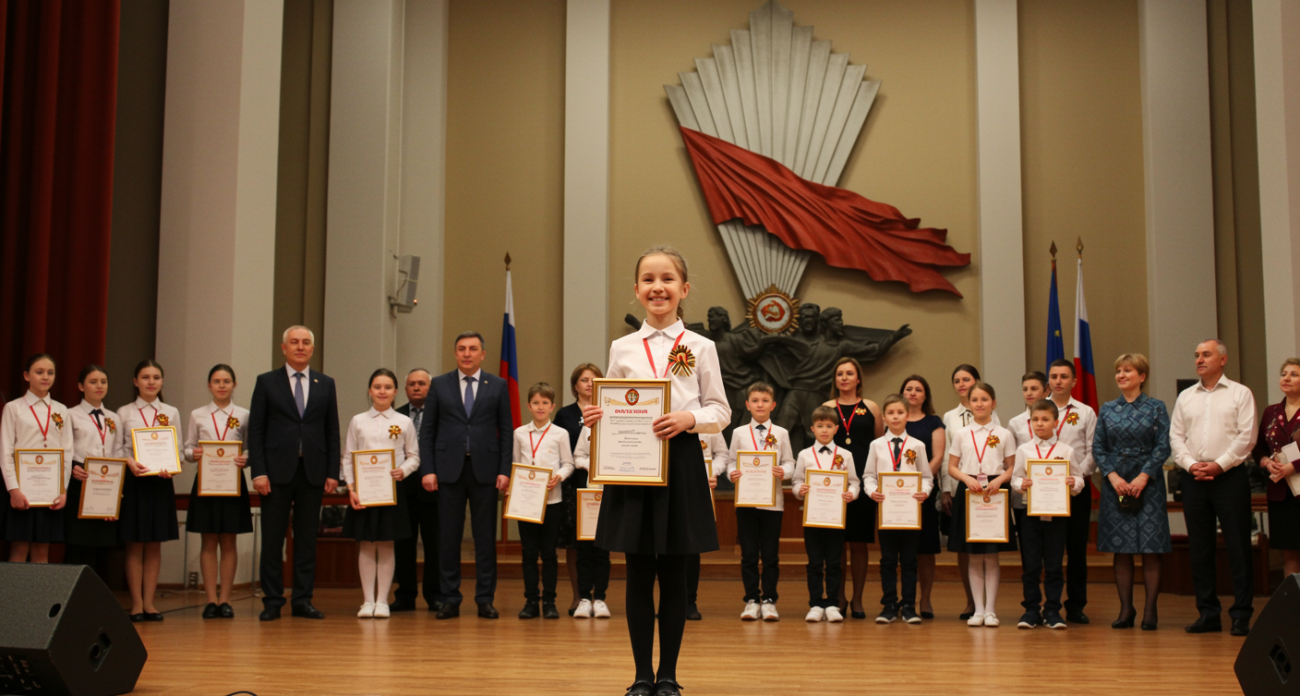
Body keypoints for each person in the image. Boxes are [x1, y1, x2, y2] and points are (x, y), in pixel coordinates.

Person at [581, 246, 729, 696]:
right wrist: (595, 419)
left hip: (680, 464)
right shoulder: (621, 347)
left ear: (683, 289)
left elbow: (720, 410)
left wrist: (689, 420)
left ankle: (669, 675)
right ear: (636, 291)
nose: (657, 287)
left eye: (667, 279)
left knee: (675, 574)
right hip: (632, 469)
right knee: (639, 572)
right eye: (648, 279)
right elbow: (610, 403)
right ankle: (642, 675)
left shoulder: (701, 346)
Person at [247, 326, 341, 621]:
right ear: (284, 347)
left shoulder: (325, 383)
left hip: (312, 472)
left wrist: (332, 471)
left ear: (312, 349)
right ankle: (273, 601)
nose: (300, 347)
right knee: (273, 539)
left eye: (306, 343)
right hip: (275, 473)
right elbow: (257, 430)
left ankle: (303, 600)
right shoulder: (266, 382)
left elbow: (332, 430)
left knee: (306, 540)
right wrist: (258, 471)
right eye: (294, 342)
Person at [419, 331, 513, 620]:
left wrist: (504, 470)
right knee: (449, 538)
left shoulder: (497, 385)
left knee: (485, 539)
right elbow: (428, 431)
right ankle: (450, 598)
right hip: (448, 471)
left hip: (485, 470)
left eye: (473, 349)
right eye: (462, 349)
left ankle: (485, 599)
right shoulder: (438, 384)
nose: (467, 353)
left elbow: (506, 430)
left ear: (482, 354)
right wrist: (429, 469)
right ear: (455, 353)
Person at [1170, 339, 1257, 636]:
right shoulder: (1185, 397)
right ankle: (1208, 613)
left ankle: (1241, 614)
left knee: (1238, 547)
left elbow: (1247, 437)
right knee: (1200, 549)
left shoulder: (1240, 394)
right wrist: (1190, 464)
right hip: (1194, 478)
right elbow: (1176, 438)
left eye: (1206, 354)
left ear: (1223, 360)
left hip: (1229, 477)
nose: (1199, 360)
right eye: (1196, 355)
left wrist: (1220, 464)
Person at [1094, 353, 1170, 631]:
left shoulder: (1156, 407)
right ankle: (1126, 609)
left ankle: (1151, 610)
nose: (1122, 375)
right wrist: (1113, 477)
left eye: (1128, 370)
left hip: (1147, 483)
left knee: (1150, 547)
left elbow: (1163, 446)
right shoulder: (1107, 409)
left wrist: (1142, 477)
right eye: (1119, 371)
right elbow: (1098, 448)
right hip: (1116, 483)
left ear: (1142, 376)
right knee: (1121, 548)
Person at [342, 368, 420, 619]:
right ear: (369, 390)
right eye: (377, 387)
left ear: (396, 391)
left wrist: (403, 471)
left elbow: (414, 456)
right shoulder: (357, 421)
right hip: (364, 491)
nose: (382, 391)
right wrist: (351, 488)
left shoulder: (404, 422)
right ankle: (367, 601)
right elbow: (348, 457)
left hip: (391, 491)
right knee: (366, 544)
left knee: (386, 544)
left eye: (387, 387)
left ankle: (383, 601)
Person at [182, 364, 252, 619]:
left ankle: (226, 600)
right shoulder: (197, 415)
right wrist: (194, 454)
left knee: (229, 540)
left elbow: (250, 448)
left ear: (234, 384)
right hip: (206, 483)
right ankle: (210, 600)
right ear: (209, 385)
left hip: (233, 483)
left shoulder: (244, 414)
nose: (222, 385)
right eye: (216, 381)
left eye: (226, 381)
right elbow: (187, 449)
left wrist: (246, 458)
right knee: (208, 541)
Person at [946, 381, 1016, 627]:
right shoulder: (962, 434)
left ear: (993, 403)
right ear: (969, 404)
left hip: (995, 492)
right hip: (970, 492)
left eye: (984, 399)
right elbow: (952, 467)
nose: (979, 404)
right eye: (975, 400)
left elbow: (1012, 467)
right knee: (974, 556)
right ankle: (977, 610)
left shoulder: (1004, 434)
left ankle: (991, 610)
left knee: (991, 555)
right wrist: (966, 478)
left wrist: (1000, 480)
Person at [117, 359, 181, 621]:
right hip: (135, 481)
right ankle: (135, 604)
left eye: (156, 377)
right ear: (135, 382)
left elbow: (175, 447)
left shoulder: (171, 411)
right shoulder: (124, 412)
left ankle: (150, 603)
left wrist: (171, 466)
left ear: (162, 381)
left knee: (154, 544)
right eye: (145, 377)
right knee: (135, 544)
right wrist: (130, 462)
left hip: (161, 482)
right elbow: (119, 448)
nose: (151, 382)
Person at [1011, 399, 1082, 630]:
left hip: (1057, 517)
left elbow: (1079, 479)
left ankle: (1053, 610)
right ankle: (1031, 610)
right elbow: (1014, 479)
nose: (1039, 424)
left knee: (1053, 565)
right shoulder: (1024, 450)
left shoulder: (1066, 451)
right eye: (1035, 419)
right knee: (1030, 566)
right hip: (1030, 515)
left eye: (1045, 419)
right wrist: (1023, 482)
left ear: (1055, 422)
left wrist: (1073, 483)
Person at [727, 381, 793, 622]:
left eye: (765, 401)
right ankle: (751, 599)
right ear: (747, 404)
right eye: (755, 401)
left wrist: (782, 472)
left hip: (772, 503)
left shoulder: (782, 433)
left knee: (771, 555)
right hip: (745, 501)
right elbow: (733, 462)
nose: (760, 405)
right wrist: (731, 474)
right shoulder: (738, 433)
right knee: (749, 555)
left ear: (773, 405)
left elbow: (790, 463)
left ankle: (769, 601)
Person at [822, 356, 882, 619]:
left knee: (859, 544)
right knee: (836, 545)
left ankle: (857, 599)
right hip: (834, 484)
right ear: (835, 380)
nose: (844, 378)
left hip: (864, 483)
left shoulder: (871, 407)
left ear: (858, 379)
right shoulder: (826, 406)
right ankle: (838, 597)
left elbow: (879, 444)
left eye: (849, 373)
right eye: (839, 374)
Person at [863, 395, 931, 624]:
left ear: (908, 416)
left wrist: (924, 492)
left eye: (900, 412)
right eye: (890, 413)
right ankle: (889, 605)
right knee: (888, 560)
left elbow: (927, 478)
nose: (895, 417)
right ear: (884, 417)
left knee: (910, 560)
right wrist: (873, 492)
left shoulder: (917, 446)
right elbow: (868, 477)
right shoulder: (876, 446)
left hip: (910, 513)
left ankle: (910, 606)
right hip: (886, 512)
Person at [941, 364, 1001, 620]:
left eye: (967, 379)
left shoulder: (992, 416)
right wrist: (946, 488)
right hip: (962, 487)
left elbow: (997, 452)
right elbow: (947, 456)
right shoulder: (950, 417)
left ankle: (989, 608)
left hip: (990, 489)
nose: (962, 384)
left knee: (988, 549)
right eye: (957, 380)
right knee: (966, 548)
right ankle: (972, 603)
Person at [1, 354, 73, 562]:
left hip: (50, 489)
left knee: (42, 548)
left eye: (50, 373)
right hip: (22, 489)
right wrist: (13, 489)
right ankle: (15, 595)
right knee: (19, 547)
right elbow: (5, 450)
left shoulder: (61, 411)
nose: (45, 377)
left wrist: (63, 489)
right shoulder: (14, 408)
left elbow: (67, 452)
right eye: (39, 372)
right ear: (26, 375)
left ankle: (40, 596)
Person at [511, 383, 574, 620]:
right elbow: (516, 465)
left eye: (545, 403)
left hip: (553, 501)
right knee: (528, 553)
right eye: (536, 403)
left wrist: (559, 476)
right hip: (526, 502)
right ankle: (530, 601)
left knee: (548, 553)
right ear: (528, 406)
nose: (540, 407)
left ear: (552, 406)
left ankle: (549, 601)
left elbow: (568, 463)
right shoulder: (519, 433)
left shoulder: (560, 433)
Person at [793, 405, 859, 623]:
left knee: (833, 562)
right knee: (814, 562)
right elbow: (796, 482)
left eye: (828, 426)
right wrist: (799, 491)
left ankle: (832, 603)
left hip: (835, 518)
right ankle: (814, 604)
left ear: (836, 429)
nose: (824, 430)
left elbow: (854, 483)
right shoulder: (804, 455)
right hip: (812, 518)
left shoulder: (846, 455)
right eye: (820, 426)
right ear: (812, 428)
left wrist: (851, 494)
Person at [1045, 359, 1097, 624]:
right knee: (1050, 550)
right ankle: (1049, 604)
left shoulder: (1085, 412)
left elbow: (1092, 451)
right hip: (1045, 492)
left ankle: (1076, 605)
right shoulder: (1039, 409)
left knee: (1076, 549)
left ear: (1074, 381)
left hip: (1076, 490)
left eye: (1064, 376)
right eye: (1054, 376)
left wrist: (1076, 477)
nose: (1058, 381)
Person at [553, 362, 603, 616]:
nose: (589, 384)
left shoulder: (609, 412)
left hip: (602, 485)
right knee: (576, 544)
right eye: (584, 380)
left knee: (600, 543)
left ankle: (600, 596)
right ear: (575, 385)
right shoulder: (565, 414)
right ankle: (578, 596)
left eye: (594, 380)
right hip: (574, 485)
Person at [64, 365, 122, 574]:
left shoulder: (114, 418)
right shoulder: (70, 414)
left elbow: (118, 452)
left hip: (106, 485)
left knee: (102, 547)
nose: (99, 386)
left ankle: (96, 602)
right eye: (93, 381)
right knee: (78, 545)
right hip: (81, 482)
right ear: (81, 386)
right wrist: (71, 468)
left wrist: (116, 493)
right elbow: (64, 448)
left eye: (103, 382)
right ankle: (71, 601)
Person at [392, 368, 441, 613]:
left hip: (434, 487)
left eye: (422, 383)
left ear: (430, 388)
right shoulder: (395, 416)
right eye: (412, 384)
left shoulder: (441, 414)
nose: (417, 387)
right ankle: (405, 595)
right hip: (402, 487)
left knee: (435, 544)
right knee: (403, 543)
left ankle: (435, 595)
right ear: (405, 388)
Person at [901, 375, 945, 619]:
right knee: (902, 549)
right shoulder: (895, 419)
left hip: (924, 492)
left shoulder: (933, 422)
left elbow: (937, 457)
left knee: (925, 549)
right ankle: (904, 599)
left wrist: (920, 481)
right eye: (909, 389)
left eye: (919, 389)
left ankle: (925, 600)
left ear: (925, 395)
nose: (913, 393)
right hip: (897, 493)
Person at [1256, 358, 1300, 577]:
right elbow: (1259, 449)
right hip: (1281, 491)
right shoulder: (1271, 412)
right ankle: (1293, 608)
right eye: (1284, 373)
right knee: (1289, 553)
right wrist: (1265, 462)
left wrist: (1294, 466)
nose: (1287, 378)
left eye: (1294, 374)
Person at [571, 424, 612, 619]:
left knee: (603, 552)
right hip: (588, 496)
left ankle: (601, 598)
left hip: (609, 496)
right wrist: (592, 465)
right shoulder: (588, 427)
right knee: (584, 551)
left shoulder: (621, 427)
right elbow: (578, 456)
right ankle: (585, 599)